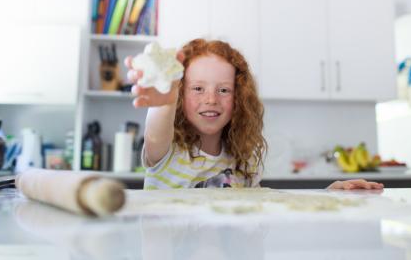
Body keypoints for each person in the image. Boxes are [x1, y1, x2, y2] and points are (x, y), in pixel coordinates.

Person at [125, 39, 384, 191]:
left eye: (224, 89)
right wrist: (164, 102)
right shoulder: (167, 152)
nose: (211, 99)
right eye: (197, 88)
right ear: (180, 93)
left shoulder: (242, 161)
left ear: (240, 97)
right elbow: (155, 136)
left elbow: (263, 208)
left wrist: (330, 195)